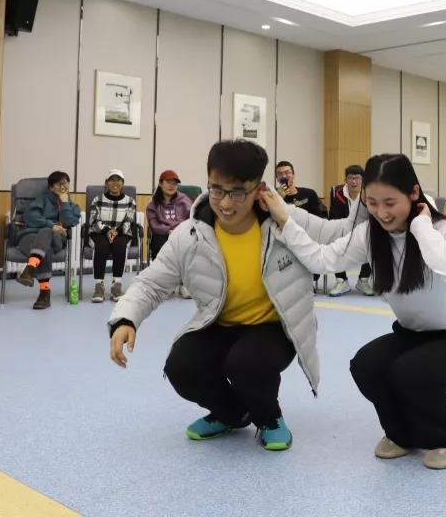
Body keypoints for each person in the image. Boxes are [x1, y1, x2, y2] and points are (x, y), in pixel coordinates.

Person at [108, 140, 355, 452]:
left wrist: (363, 198)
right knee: (181, 366)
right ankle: (233, 413)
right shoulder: (191, 233)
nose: (225, 203)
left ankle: (269, 418)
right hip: (221, 324)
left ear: (259, 189)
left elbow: (342, 234)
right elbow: (151, 283)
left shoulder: (285, 219)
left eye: (237, 193)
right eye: (217, 190)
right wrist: (126, 319)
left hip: (274, 327)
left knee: (246, 363)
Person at [262, 153, 446, 471]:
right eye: (372, 203)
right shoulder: (369, 235)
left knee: (411, 372)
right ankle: (401, 434)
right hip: (411, 335)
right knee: (366, 365)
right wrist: (285, 221)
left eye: (390, 203)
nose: (381, 212)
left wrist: (422, 226)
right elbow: (322, 259)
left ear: (414, 193)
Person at [15, 171, 82, 310]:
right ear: (51, 187)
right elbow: (30, 217)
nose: (63, 186)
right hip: (30, 237)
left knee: (46, 232)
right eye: (59, 183)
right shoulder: (42, 199)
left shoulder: (72, 206)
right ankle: (44, 294)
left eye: (66, 183)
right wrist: (51, 225)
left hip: (56, 239)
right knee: (46, 249)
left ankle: (29, 269)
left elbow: (68, 222)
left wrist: (64, 203)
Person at [275, 160, 327, 290]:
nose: (284, 176)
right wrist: (279, 198)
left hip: (308, 236)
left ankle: (307, 279)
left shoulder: (309, 193)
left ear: (293, 175)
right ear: (277, 178)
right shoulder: (273, 197)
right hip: (285, 239)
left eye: (287, 172)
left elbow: (321, 216)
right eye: (280, 174)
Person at [87, 169, 137, 304]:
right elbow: (94, 220)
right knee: (101, 246)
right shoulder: (97, 200)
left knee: (120, 245)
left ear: (123, 183)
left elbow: (129, 221)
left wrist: (117, 232)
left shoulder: (130, 201)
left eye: (118, 180)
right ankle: (99, 286)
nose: (115, 183)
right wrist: (107, 230)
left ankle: (116, 285)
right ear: (106, 183)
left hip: (121, 232)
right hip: (100, 232)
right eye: (112, 180)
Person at [326, 165, 373, 297]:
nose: (353, 181)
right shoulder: (337, 195)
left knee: (373, 241)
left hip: (362, 232)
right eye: (350, 178)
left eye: (357, 178)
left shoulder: (369, 195)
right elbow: (334, 219)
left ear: (363, 180)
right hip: (343, 232)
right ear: (345, 180)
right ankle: (342, 281)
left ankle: (363, 280)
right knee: (334, 241)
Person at [146, 169, 193, 299]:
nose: (172, 185)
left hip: (181, 233)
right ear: (160, 184)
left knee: (187, 244)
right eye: (168, 182)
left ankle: (184, 283)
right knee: (159, 243)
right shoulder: (153, 203)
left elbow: (191, 219)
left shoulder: (184, 200)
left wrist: (179, 231)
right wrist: (168, 231)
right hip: (162, 234)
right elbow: (153, 224)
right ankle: (165, 284)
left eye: (174, 183)